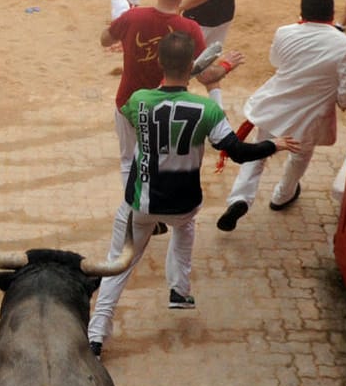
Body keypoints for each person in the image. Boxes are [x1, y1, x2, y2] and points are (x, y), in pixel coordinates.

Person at [87, 32, 295, 354]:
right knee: (184, 227)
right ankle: (179, 291)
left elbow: (132, 136)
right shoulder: (206, 110)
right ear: (190, 67)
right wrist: (273, 144)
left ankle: (96, 335)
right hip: (184, 203)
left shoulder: (138, 101)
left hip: (142, 203)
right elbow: (236, 152)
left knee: (120, 262)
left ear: (159, 63)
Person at [219, 0, 346, 227]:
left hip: (276, 108)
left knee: (258, 154)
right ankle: (282, 195)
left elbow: (276, 61)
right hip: (310, 117)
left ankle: (240, 197)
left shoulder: (285, 32)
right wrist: (342, 103)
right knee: (300, 156)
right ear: (332, 14)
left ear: (302, 13)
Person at [103, 0, 206, 182]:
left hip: (128, 102)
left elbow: (105, 40)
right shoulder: (190, 28)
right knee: (161, 160)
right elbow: (204, 72)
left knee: (128, 161)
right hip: (167, 109)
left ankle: (131, 207)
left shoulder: (132, 17)